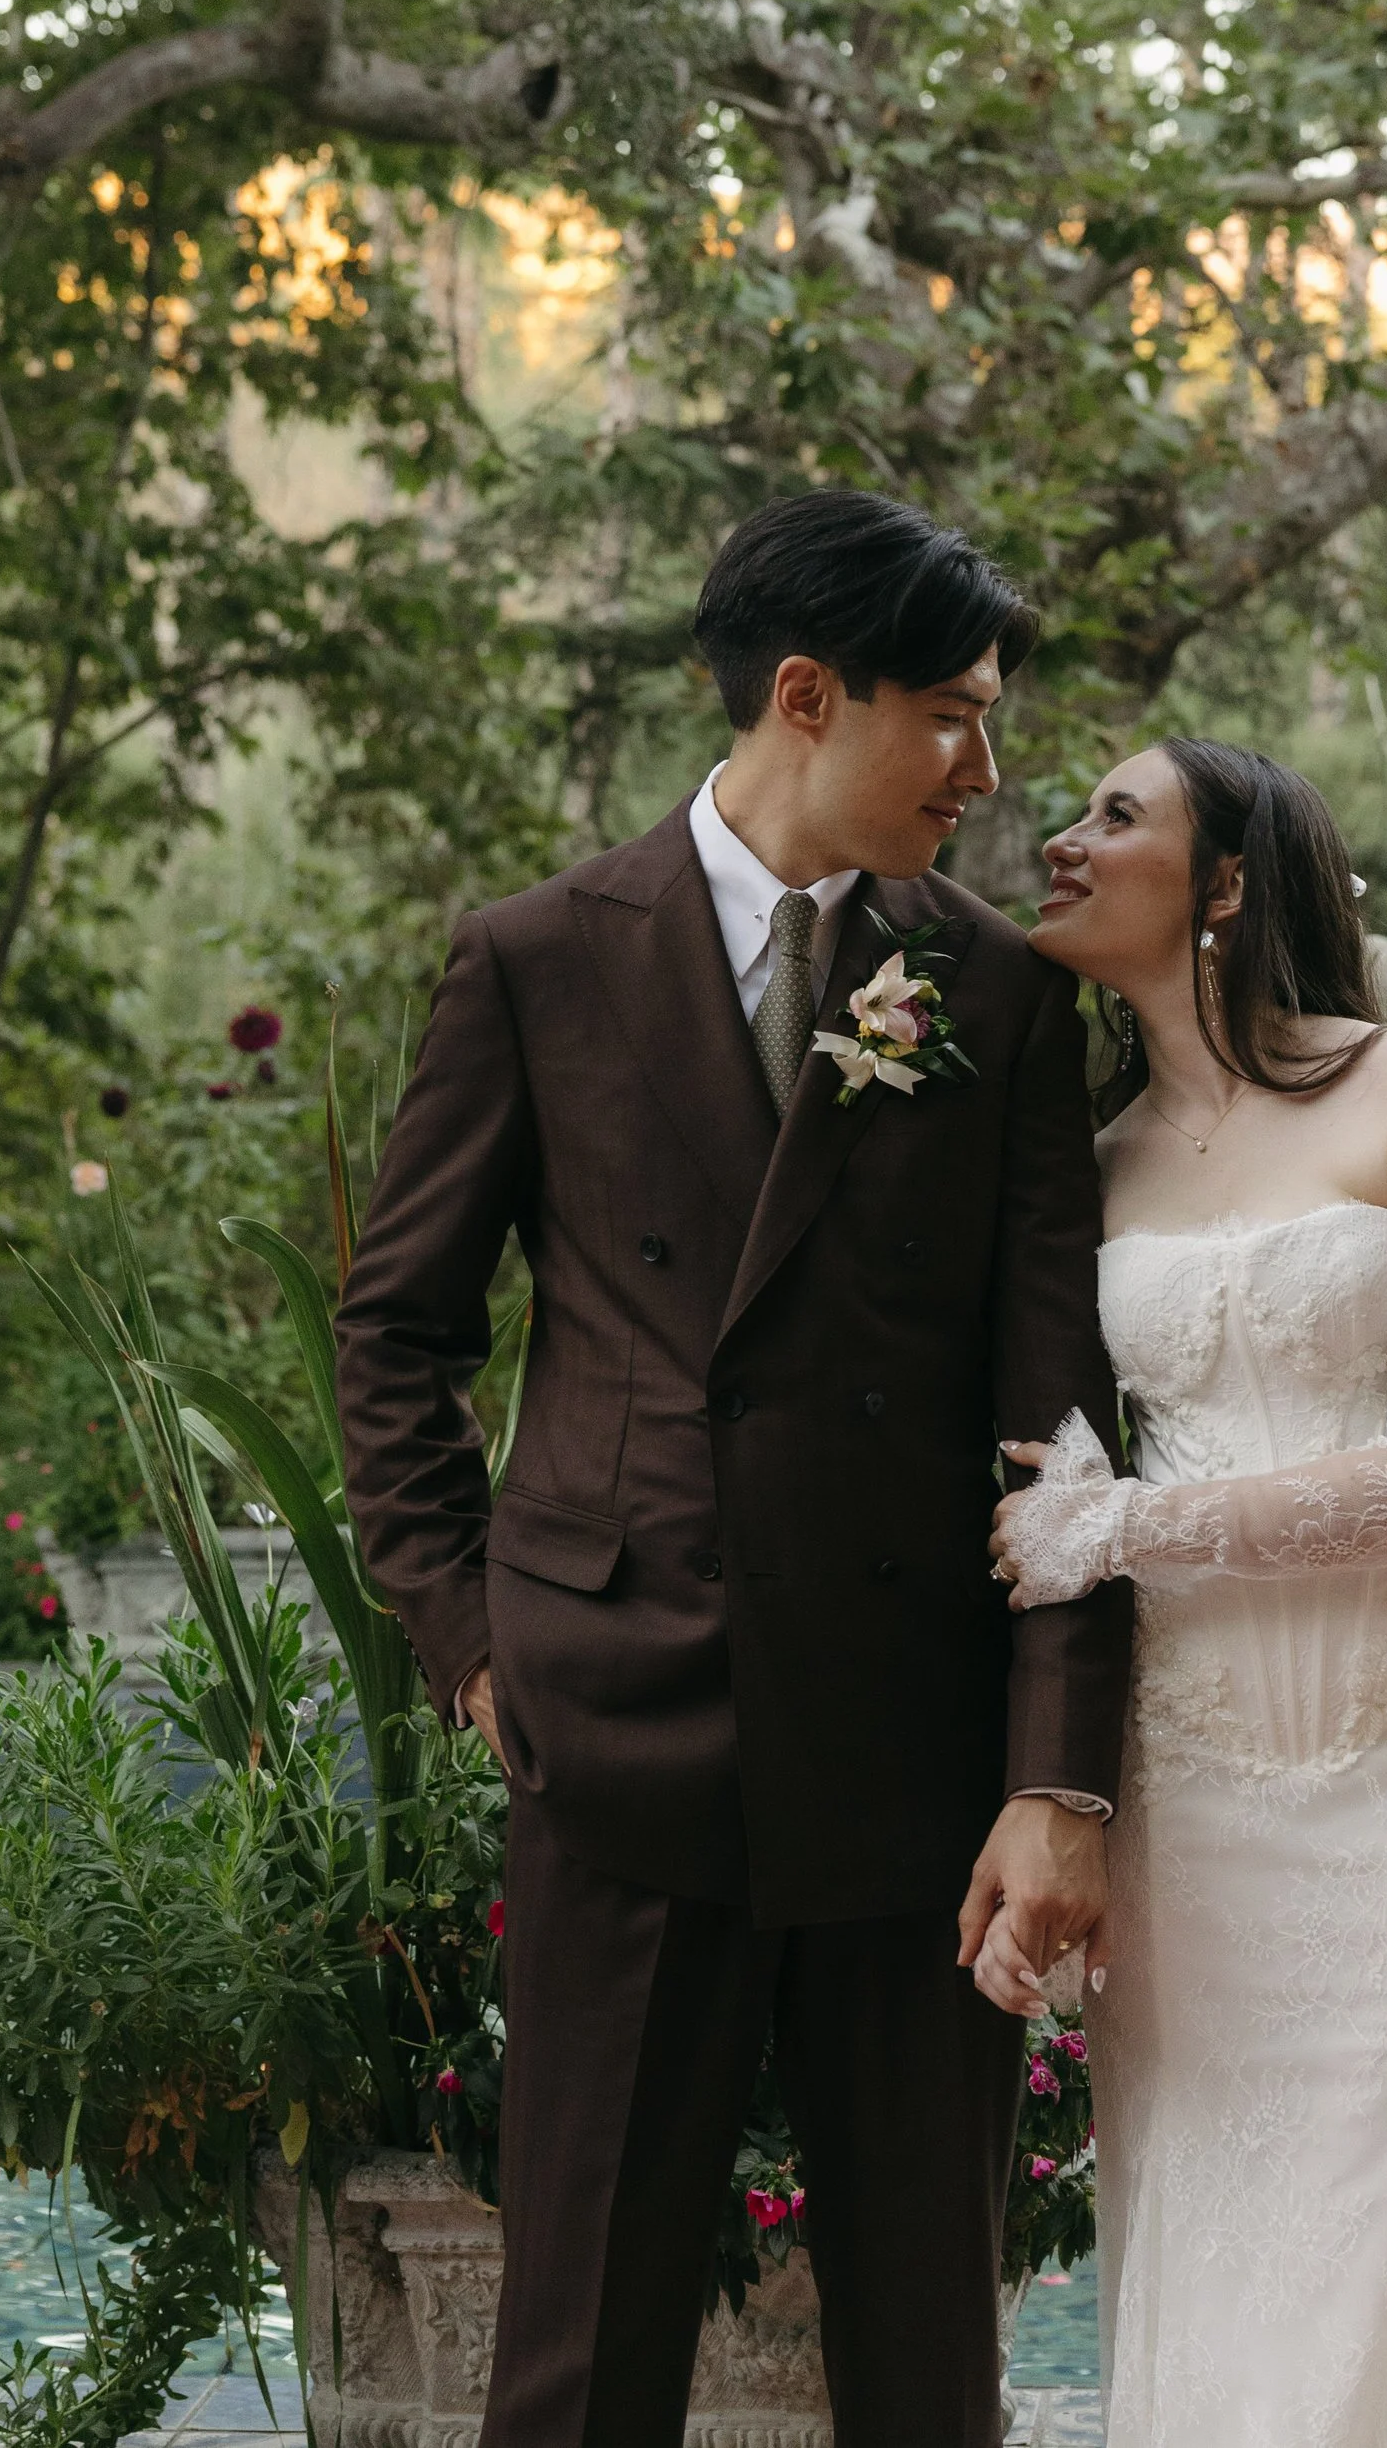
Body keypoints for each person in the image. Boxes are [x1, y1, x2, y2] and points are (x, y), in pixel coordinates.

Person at [333, 488, 1133, 2448]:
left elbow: (1068, 1424)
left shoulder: (1003, 997)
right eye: (946, 713)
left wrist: (1052, 1771)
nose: (985, 767)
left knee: (929, 2357)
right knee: (580, 2348)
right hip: (621, 1736)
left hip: (912, 1752)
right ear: (803, 696)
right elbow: (395, 1340)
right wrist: (473, 1645)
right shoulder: (534, 961)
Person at [987, 738, 1387, 2448]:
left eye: (1118, 816)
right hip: (1190, 1753)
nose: (1062, 838)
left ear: (1233, 880)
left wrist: (1124, 1533)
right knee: (1203, 2179)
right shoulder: (1088, 1158)